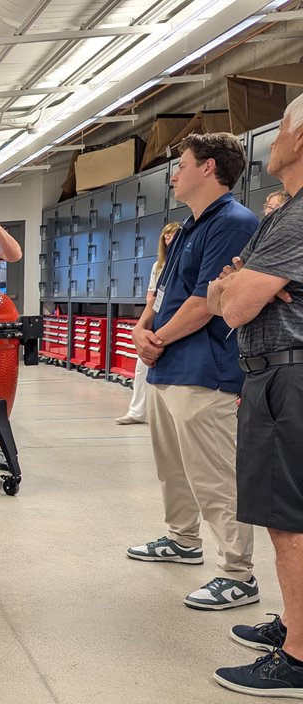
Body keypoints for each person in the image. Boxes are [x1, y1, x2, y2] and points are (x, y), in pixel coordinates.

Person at [126, 132, 260, 610]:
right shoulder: (186, 226)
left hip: (205, 369)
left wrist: (156, 340)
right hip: (168, 366)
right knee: (174, 469)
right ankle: (183, 539)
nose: (174, 174)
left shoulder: (234, 223)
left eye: (181, 164)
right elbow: (161, 292)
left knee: (215, 474)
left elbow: (206, 303)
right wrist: (143, 329)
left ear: (208, 168)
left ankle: (237, 573)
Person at [206, 98, 303, 697]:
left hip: (288, 377)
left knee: (288, 521)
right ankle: (296, 623)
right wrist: (237, 286)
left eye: (283, 130)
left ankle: (298, 657)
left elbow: (233, 305)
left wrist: (238, 287)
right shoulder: (283, 214)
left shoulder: (295, 219)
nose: (271, 143)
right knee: (285, 517)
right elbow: (232, 291)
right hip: (275, 373)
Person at [117, 222, 182, 425]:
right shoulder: (158, 266)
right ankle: (137, 411)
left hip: (178, 320)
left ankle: (168, 415)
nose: (169, 239)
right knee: (141, 365)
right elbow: (151, 294)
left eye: (172, 235)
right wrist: (143, 324)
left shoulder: (184, 261)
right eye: (166, 236)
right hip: (157, 318)